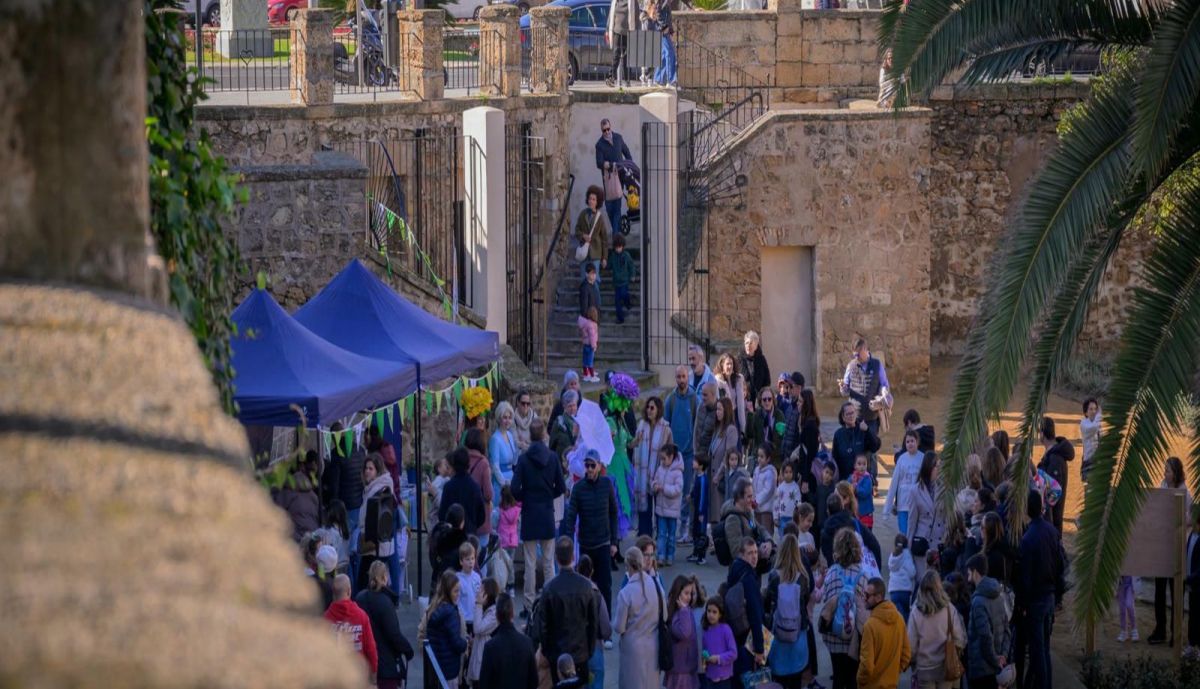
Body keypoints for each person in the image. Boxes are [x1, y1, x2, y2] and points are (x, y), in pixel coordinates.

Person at [511, 420, 567, 612]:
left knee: (530, 563)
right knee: (549, 563)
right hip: (546, 513)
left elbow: (513, 488)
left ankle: (528, 604)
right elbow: (561, 486)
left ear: (530, 436)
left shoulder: (524, 459)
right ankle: (549, 602)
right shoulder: (552, 458)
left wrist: (525, 497)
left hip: (529, 513)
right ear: (544, 435)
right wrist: (548, 496)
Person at [1014, 490, 1065, 689]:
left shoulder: (1027, 538)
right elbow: (1060, 563)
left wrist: (1023, 604)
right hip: (1049, 595)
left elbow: (1025, 577)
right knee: (1044, 648)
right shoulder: (1051, 531)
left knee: (1038, 651)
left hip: (1036, 599)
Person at [560, 450, 620, 613]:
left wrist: (614, 541)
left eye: (593, 465)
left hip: (603, 543)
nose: (590, 469)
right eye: (587, 465)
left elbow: (614, 513)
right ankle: (586, 618)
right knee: (585, 585)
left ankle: (605, 622)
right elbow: (571, 516)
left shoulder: (607, 484)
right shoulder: (578, 488)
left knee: (605, 586)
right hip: (586, 544)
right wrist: (569, 544)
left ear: (599, 466)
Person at [538, 536, 601, 685]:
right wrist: (589, 650)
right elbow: (593, 622)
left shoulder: (549, 589)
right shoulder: (586, 586)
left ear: (556, 558)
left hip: (558, 655)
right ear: (573, 556)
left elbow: (543, 627)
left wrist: (548, 653)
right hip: (580, 654)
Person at [820, 529, 870, 689]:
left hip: (834, 638)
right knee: (853, 680)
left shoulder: (832, 573)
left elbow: (825, 601)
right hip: (854, 639)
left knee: (838, 677)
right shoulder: (863, 575)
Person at [1150, 456, 1192, 646]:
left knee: (1176, 593)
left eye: (1167, 470)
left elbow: (1189, 520)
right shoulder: (1163, 487)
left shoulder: (1185, 492)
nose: (1164, 474)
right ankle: (1160, 630)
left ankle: (1176, 634)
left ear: (1176, 473)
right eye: (1165, 470)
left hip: (1177, 549)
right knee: (1159, 592)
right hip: (1161, 548)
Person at [355, 560, 414, 689]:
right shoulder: (385, 602)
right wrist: (407, 650)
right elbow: (393, 633)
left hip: (363, 664)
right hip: (385, 665)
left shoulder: (360, 598)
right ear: (384, 577)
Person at [612, 546, 665, 688]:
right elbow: (664, 615)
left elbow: (619, 627)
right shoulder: (656, 585)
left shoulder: (626, 593)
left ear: (628, 565)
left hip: (632, 650)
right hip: (653, 646)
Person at [764, 535, 811, 689]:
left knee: (778, 680)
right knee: (796, 679)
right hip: (798, 632)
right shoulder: (803, 577)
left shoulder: (774, 576)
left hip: (777, 632)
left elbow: (769, 602)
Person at [907, 570, 966, 689]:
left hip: (924, 668)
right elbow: (960, 639)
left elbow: (911, 646)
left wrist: (913, 663)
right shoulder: (950, 609)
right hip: (946, 667)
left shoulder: (916, 612)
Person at [966, 555, 1010, 689]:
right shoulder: (999, 596)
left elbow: (985, 636)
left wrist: (995, 659)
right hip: (996, 666)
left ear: (975, 573)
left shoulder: (978, 602)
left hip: (981, 668)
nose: (967, 575)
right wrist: (1003, 655)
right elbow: (1006, 629)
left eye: (969, 572)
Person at [857, 577, 911, 689]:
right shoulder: (899, 618)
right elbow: (906, 655)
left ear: (878, 597)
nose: (863, 598)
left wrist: (860, 681)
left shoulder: (870, 626)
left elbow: (867, 665)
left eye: (867, 595)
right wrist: (894, 672)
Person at [726, 537, 767, 681]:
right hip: (749, 641)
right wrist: (760, 650)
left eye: (756, 552)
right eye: (750, 553)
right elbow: (756, 616)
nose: (755, 556)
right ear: (742, 555)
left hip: (735, 636)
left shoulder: (734, 571)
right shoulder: (748, 578)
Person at [632, 395, 673, 536]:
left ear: (658, 410)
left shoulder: (666, 429)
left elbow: (671, 451)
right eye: (647, 407)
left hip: (659, 474)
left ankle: (660, 538)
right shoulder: (641, 425)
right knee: (645, 508)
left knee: (659, 510)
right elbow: (632, 445)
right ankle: (645, 536)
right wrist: (636, 440)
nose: (649, 410)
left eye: (652, 408)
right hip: (643, 475)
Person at [420, 570, 469, 689]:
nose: (458, 594)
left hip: (437, 665)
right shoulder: (450, 613)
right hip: (449, 668)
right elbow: (456, 642)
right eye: (455, 591)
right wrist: (466, 643)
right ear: (448, 592)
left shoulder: (435, 607)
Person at [324, 573, 378, 678]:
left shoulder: (325, 620)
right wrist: (374, 675)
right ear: (349, 591)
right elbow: (371, 649)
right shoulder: (362, 616)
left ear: (333, 593)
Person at [480, 593, 538, 689]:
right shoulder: (527, 642)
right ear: (512, 613)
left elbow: (484, 683)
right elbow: (534, 681)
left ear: (497, 615)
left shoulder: (490, 647)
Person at [838, 337, 890, 440]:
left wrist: (883, 395)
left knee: (871, 448)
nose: (856, 357)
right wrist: (843, 388)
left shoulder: (877, 365)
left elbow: (885, 384)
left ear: (865, 349)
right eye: (854, 354)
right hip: (854, 418)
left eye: (858, 354)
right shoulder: (851, 366)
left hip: (872, 418)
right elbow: (845, 391)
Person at [907, 451, 947, 582]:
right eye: (936, 466)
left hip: (938, 542)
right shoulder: (915, 491)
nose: (938, 470)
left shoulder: (943, 489)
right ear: (929, 467)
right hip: (922, 543)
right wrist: (909, 548)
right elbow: (912, 522)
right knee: (922, 582)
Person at [576, 555, 613, 686]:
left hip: (575, 649)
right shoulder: (597, 594)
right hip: (594, 648)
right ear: (592, 571)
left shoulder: (572, 593)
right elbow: (606, 629)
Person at [821, 493, 882, 572]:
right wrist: (877, 569)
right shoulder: (854, 523)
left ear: (828, 511)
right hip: (857, 570)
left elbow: (828, 556)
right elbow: (874, 545)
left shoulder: (826, 532)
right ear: (842, 506)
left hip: (837, 573)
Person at [326, 421, 368, 533]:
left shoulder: (336, 454)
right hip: (361, 499)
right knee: (357, 535)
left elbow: (334, 483)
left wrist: (332, 504)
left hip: (346, 504)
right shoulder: (360, 449)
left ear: (335, 436)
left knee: (347, 538)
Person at [1036, 416, 1074, 537]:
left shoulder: (1055, 459)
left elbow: (1053, 495)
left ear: (1042, 433)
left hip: (1051, 524)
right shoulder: (1051, 455)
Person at [707, 397, 741, 524]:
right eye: (717, 409)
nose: (717, 412)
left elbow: (728, 454)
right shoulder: (717, 429)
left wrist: (718, 475)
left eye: (720, 409)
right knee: (714, 514)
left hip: (720, 478)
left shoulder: (731, 430)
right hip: (712, 476)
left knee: (721, 513)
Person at [439, 448, 486, 539]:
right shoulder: (474, 486)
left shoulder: (448, 487)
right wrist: (472, 525)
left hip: (452, 536)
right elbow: (481, 515)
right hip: (470, 536)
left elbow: (442, 514)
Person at [831, 401, 881, 483]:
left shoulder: (863, 430)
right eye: (848, 414)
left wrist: (867, 430)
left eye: (852, 413)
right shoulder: (838, 434)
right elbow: (835, 457)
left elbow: (875, 447)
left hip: (862, 480)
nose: (851, 416)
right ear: (843, 417)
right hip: (845, 480)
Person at [595, 119, 632, 231]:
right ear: (601, 131)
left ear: (611, 127)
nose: (606, 132)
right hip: (608, 180)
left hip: (620, 179)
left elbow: (627, 153)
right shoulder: (599, 145)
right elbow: (599, 163)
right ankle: (618, 235)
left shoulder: (618, 138)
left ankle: (617, 238)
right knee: (609, 208)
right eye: (604, 130)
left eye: (608, 129)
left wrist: (629, 166)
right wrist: (609, 165)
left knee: (617, 209)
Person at [653, 442, 685, 566]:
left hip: (672, 510)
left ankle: (670, 555)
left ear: (671, 457)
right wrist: (654, 485)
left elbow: (678, 489)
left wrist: (664, 488)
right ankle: (660, 556)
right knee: (661, 534)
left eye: (664, 458)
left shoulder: (678, 472)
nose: (662, 461)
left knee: (671, 535)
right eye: (661, 458)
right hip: (661, 509)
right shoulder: (660, 469)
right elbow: (655, 480)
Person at [665, 575, 700, 689]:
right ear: (678, 593)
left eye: (690, 593)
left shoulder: (684, 610)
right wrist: (684, 610)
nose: (689, 597)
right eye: (686, 593)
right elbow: (684, 633)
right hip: (680, 670)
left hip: (686, 668)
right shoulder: (679, 613)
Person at [887, 430, 923, 536]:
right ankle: (905, 550)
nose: (910, 443)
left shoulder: (923, 458)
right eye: (907, 442)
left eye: (912, 441)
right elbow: (894, 483)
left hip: (917, 503)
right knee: (903, 533)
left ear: (917, 442)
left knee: (915, 532)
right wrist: (887, 508)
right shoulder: (901, 459)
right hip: (903, 503)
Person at [467, 578, 501, 686]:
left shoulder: (494, 613)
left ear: (487, 594)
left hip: (484, 665)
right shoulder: (485, 609)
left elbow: (478, 628)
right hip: (478, 659)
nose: (478, 593)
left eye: (481, 591)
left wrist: (478, 604)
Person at [464, 429, 495, 548]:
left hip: (465, 515)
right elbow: (488, 494)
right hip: (480, 515)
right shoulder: (483, 463)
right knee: (481, 558)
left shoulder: (462, 459)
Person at [274, 462, 319, 542]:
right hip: (313, 534)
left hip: (297, 537)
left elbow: (276, 511)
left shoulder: (286, 493)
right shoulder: (313, 495)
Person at [665, 365, 699, 468]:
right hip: (673, 453)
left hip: (689, 453)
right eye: (679, 377)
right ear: (675, 378)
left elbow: (697, 424)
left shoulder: (694, 399)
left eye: (683, 376)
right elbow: (666, 425)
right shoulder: (670, 399)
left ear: (688, 377)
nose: (681, 380)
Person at [701, 595, 739, 689]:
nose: (711, 615)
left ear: (720, 614)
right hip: (710, 678)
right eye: (709, 611)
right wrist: (704, 661)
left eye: (714, 612)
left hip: (723, 680)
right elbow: (704, 651)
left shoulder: (726, 629)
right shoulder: (706, 631)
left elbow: (734, 653)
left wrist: (718, 658)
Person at [604, 0, 639, 87]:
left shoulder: (633, 2)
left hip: (628, 32)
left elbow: (636, 16)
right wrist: (607, 30)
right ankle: (611, 78)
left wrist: (637, 31)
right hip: (616, 31)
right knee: (616, 54)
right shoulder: (615, 2)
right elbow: (611, 16)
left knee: (626, 57)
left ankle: (627, 80)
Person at [747, 386, 786, 461]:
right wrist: (750, 415)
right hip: (759, 455)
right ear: (760, 401)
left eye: (769, 399)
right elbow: (750, 435)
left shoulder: (779, 415)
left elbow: (781, 437)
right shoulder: (757, 415)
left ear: (773, 400)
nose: (767, 402)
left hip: (774, 456)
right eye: (764, 400)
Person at [714, 352, 747, 436]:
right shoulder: (718, 382)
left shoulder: (738, 380)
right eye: (727, 364)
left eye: (731, 364)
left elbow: (740, 403)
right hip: (724, 417)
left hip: (735, 415)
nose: (730, 366)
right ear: (722, 366)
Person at [738, 331, 771, 414]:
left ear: (756, 346)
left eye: (751, 343)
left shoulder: (761, 359)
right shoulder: (739, 359)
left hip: (759, 400)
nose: (748, 346)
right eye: (747, 343)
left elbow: (767, 380)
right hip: (743, 400)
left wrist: (762, 395)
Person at [578, 265, 601, 383]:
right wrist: (590, 318)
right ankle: (589, 372)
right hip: (590, 319)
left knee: (588, 353)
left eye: (594, 273)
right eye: (591, 273)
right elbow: (584, 305)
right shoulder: (585, 287)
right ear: (587, 274)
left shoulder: (593, 285)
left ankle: (587, 370)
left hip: (594, 318)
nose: (593, 275)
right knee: (589, 353)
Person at [490, 401, 520, 490]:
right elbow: (495, 467)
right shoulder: (495, 439)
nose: (508, 421)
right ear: (499, 418)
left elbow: (514, 462)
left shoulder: (510, 435)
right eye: (505, 417)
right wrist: (504, 485)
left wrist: (518, 447)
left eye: (510, 418)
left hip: (511, 479)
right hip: (501, 483)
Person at [496, 485, 520, 592]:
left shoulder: (499, 511)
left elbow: (494, 523)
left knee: (503, 564)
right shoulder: (517, 511)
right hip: (513, 541)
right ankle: (511, 585)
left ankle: (504, 584)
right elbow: (518, 526)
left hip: (502, 541)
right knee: (511, 563)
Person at [888, 534, 916, 621]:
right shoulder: (907, 555)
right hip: (904, 591)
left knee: (894, 613)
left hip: (893, 591)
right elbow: (912, 572)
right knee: (905, 614)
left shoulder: (892, 556)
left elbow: (890, 567)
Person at [455, 542, 482, 633]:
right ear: (461, 561)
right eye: (467, 559)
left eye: (473, 558)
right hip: (464, 621)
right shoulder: (457, 579)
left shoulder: (477, 577)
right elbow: (456, 602)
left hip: (476, 619)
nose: (471, 562)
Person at [609, 233, 635, 323]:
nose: (618, 249)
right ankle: (620, 318)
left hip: (624, 281)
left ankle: (628, 302)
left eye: (619, 247)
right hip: (616, 282)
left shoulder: (626, 255)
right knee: (617, 301)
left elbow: (631, 266)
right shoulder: (613, 256)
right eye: (616, 247)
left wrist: (632, 275)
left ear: (622, 246)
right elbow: (609, 265)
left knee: (624, 294)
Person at [753, 442, 778, 534]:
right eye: (758, 456)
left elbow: (768, 491)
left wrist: (757, 500)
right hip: (756, 508)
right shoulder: (756, 470)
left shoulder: (770, 473)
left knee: (766, 532)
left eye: (762, 456)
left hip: (766, 509)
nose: (759, 459)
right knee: (758, 531)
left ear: (768, 459)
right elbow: (754, 486)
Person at [551, 390, 582, 460]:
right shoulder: (558, 423)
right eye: (569, 406)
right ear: (564, 406)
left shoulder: (581, 421)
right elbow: (552, 444)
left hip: (577, 461)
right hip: (563, 460)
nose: (572, 408)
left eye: (574, 405)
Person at [774, 463, 802, 538]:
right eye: (786, 472)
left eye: (790, 472)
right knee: (783, 537)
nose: (788, 474)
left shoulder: (795, 487)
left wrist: (799, 513)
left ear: (793, 473)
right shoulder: (780, 488)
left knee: (793, 537)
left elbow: (798, 501)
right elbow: (776, 503)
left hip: (793, 517)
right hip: (782, 517)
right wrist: (776, 518)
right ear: (783, 473)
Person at [1079, 398, 1101, 483]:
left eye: (1095, 409)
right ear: (1085, 413)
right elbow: (1093, 428)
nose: (1094, 411)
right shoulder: (1084, 424)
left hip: (1098, 462)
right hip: (1089, 463)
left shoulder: (1097, 424)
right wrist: (1099, 415)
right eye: (1091, 409)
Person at [851, 453, 874, 529]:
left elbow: (864, 492)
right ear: (855, 466)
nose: (862, 467)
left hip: (866, 513)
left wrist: (856, 487)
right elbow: (847, 486)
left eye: (864, 464)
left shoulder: (868, 479)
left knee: (866, 534)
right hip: (855, 513)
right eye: (859, 464)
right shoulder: (852, 477)